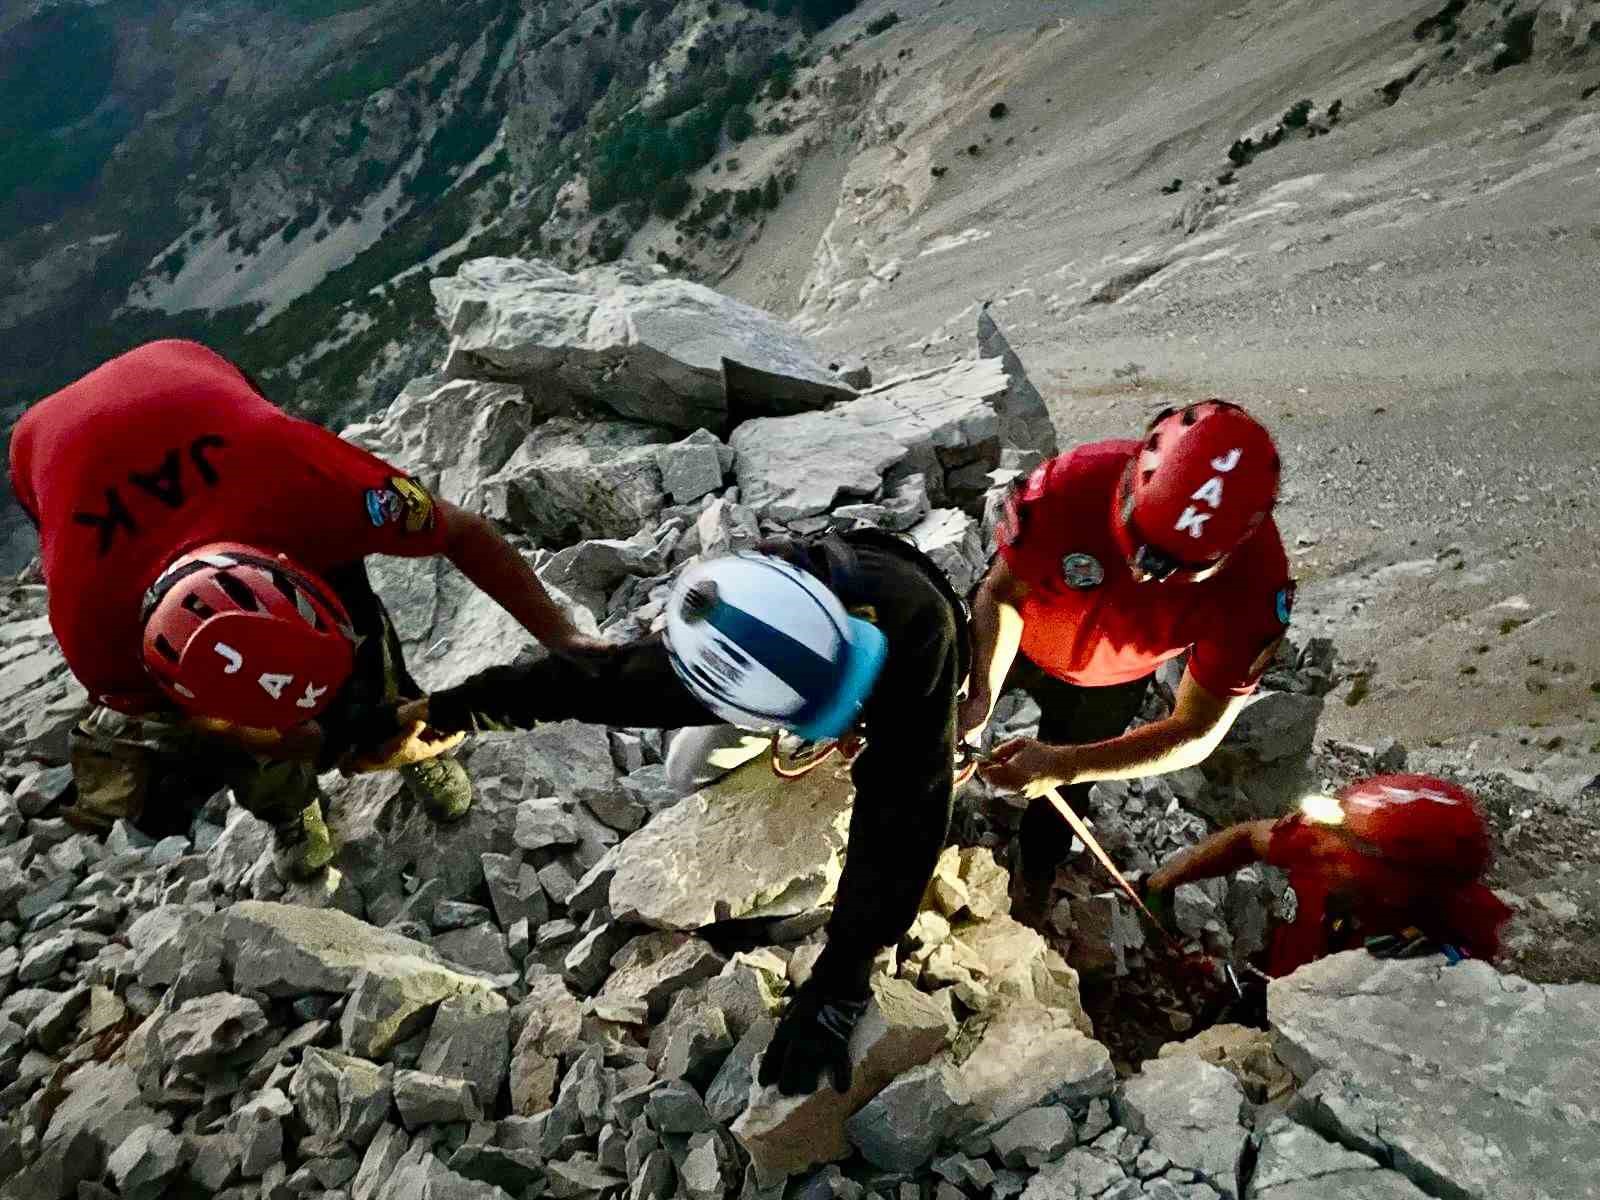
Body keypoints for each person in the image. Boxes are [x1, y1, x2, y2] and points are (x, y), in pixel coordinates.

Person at [394, 528, 969, 1097]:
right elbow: (596, 681)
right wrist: (457, 709)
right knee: (685, 770)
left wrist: (844, 973)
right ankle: (804, 738)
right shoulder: (727, 639)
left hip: (918, 654)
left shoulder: (920, 629)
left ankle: (872, 729)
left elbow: (906, 809)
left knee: (907, 767)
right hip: (788, 673)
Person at [7, 339, 610, 878]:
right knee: (242, 740)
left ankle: (401, 737)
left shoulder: (309, 480)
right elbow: (187, 718)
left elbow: (461, 532)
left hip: (189, 373)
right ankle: (287, 805)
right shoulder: (96, 634)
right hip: (44, 445)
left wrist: (563, 637)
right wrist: (278, 740)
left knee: (366, 656)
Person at [961, 399, 1294, 924]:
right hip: (1022, 636)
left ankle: (1036, 875)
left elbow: (1196, 730)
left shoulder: (1256, 591)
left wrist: (1065, 765)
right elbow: (1000, 595)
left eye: (1171, 567)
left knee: (1063, 796)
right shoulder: (1069, 485)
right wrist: (979, 695)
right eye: (1140, 543)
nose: (1142, 575)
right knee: (946, 717)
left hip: (1109, 681)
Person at [1143, 774, 1514, 976]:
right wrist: (1162, 882)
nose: (1319, 848)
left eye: (1348, 851)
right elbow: (1247, 838)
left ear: (1400, 888)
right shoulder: (1327, 844)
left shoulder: (1440, 962)